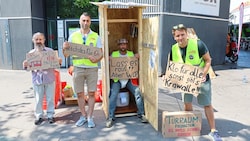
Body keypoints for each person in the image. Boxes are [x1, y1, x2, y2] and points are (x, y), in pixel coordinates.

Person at [168, 24, 222, 141]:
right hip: (186, 82)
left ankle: (213, 131)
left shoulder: (198, 44)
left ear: (186, 34)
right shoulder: (173, 49)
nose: (180, 37)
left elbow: (208, 60)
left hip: (202, 80)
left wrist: (203, 73)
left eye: (182, 34)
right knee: (187, 103)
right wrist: (168, 77)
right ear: (174, 37)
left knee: (207, 104)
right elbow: (173, 66)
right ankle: (190, 127)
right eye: (178, 35)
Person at [63, 12, 103, 128]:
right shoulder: (73, 36)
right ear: (80, 21)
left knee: (91, 93)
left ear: (90, 22)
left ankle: (90, 117)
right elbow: (66, 54)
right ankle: (83, 116)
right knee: (79, 93)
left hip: (92, 69)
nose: (85, 23)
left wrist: (96, 60)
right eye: (83, 20)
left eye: (87, 21)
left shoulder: (96, 36)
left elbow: (101, 54)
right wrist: (63, 48)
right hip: (78, 68)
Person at [106, 38, 148, 128]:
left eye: (124, 44)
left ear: (127, 45)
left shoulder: (130, 54)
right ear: (118, 46)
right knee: (113, 95)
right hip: (117, 80)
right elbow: (109, 64)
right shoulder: (114, 54)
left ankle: (141, 114)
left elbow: (134, 63)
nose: (123, 46)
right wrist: (109, 59)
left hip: (128, 79)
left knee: (137, 92)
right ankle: (110, 117)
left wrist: (136, 57)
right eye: (121, 44)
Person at [23, 32, 62, 125]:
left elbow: (56, 65)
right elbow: (28, 69)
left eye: (40, 39)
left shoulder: (50, 52)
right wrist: (25, 65)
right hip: (37, 79)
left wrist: (59, 62)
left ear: (44, 40)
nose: (38, 41)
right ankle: (39, 116)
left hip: (49, 78)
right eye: (36, 39)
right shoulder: (30, 54)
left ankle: (50, 115)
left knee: (50, 98)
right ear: (33, 41)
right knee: (38, 99)